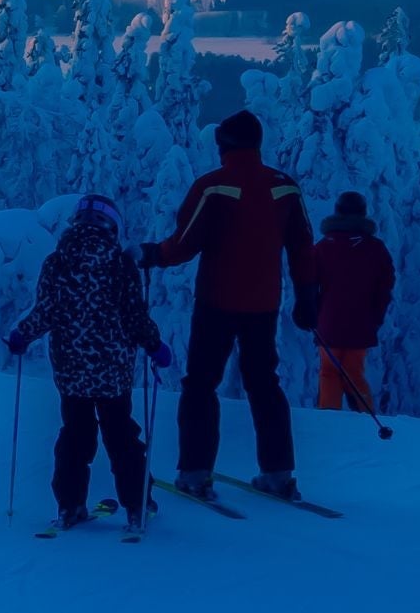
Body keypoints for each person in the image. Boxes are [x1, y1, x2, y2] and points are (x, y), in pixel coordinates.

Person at [139, 109, 320, 502]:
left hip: (217, 301)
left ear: (225, 144)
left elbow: (185, 243)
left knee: (201, 383)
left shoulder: (213, 186)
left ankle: (195, 473)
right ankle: (278, 473)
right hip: (264, 303)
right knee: (264, 383)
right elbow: (303, 247)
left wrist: (153, 254)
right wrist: (308, 296)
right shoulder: (285, 187)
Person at [6, 195, 172, 531]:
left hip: (71, 375)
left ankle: (70, 506)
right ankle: (138, 505)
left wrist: (22, 334)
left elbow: (46, 311)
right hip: (113, 376)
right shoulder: (120, 263)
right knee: (122, 437)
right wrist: (155, 346)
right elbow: (134, 315)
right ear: (112, 226)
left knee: (75, 438)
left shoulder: (57, 262)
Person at [304, 191, 395, 413]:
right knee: (353, 371)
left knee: (329, 371)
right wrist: (376, 316)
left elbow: (308, 281)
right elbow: (386, 284)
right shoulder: (375, 247)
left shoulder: (324, 245)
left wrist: (313, 311)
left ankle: (329, 416)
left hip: (328, 320)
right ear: (363, 213)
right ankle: (363, 416)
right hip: (362, 320)